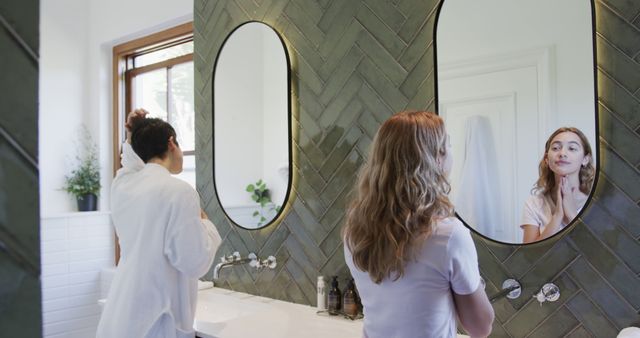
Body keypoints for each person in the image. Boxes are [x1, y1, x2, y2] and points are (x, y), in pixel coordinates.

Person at [342, 111, 494, 338]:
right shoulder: (449, 236)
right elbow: (480, 327)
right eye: (449, 145)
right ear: (437, 157)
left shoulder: (354, 231)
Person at [96, 109, 222, 338]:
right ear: (171, 143)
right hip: (156, 323)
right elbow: (195, 262)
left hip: (120, 316)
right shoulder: (179, 191)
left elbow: (131, 164)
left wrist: (134, 135)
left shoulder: (122, 186)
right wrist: (207, 225)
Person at [521, 127, 595, 243]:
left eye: (572, 148)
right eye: (556, 148)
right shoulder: (534, 204)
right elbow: (529, 256)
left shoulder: (597, 202)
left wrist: (571, 215)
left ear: (585, 159)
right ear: (546, 159)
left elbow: (598, 251)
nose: (562, 153)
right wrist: (557, 217)